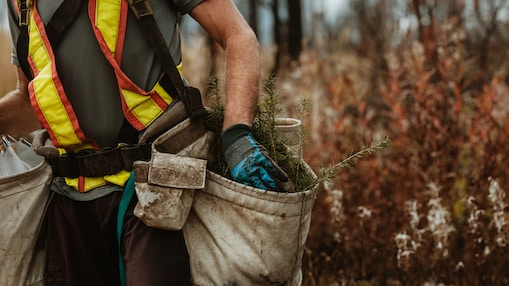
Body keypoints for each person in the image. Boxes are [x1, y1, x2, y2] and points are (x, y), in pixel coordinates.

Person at [0, 0, 286, 285]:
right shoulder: (20, 4)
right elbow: (29, 99)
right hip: (70, 198)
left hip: (153, 188)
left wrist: (236, 135)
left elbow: (237, 34)